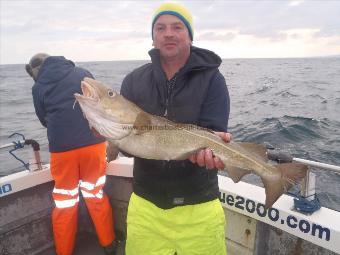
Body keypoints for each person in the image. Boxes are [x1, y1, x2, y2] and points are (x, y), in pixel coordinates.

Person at [120, 2, 231, 255]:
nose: (168, 33)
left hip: (199, 206)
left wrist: (212, 156)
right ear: (153, 37)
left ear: (189, 36)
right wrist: (113, 136)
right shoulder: (133, 81)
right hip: (145, 204)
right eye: (160, 28)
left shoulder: (213, 79)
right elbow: (129, 148)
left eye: (177, 27)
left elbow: (214, 132)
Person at [25, 54, 117, 255]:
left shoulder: (38, 86)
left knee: (65, 202)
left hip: (62, 150)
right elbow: (99, 102)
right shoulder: (83, 73)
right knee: (95, 193)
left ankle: (64, 251)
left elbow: (43, 119)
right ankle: (109, 244)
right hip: (94, 145)